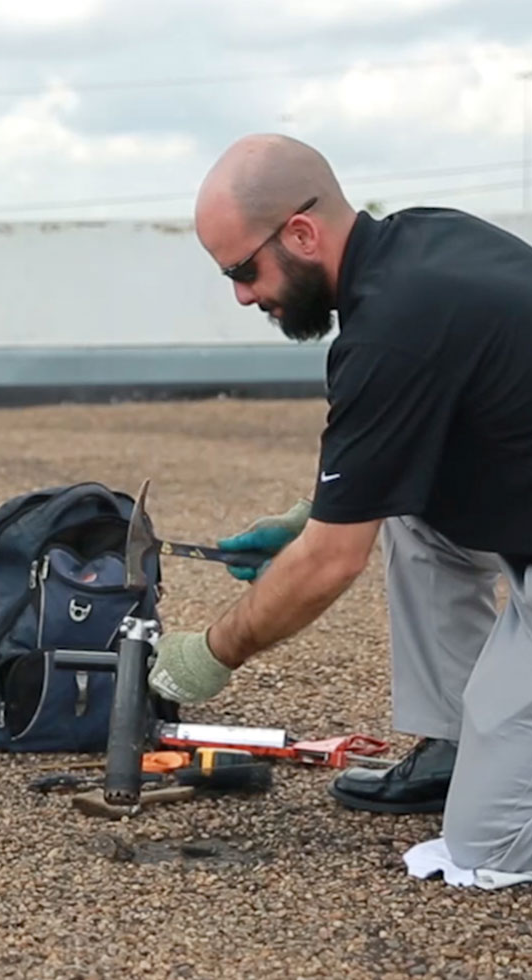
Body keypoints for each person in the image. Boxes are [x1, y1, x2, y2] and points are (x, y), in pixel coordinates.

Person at [149, 132, 532, 875]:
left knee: (487, 853)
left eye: (242, 269)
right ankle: (456, 748)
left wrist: (207, 657)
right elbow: (401, 447)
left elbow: (330, 563)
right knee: (412, 519)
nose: (242, 295)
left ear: (300, 232)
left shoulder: (392, 332)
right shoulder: (424, 240)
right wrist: (305, 518)